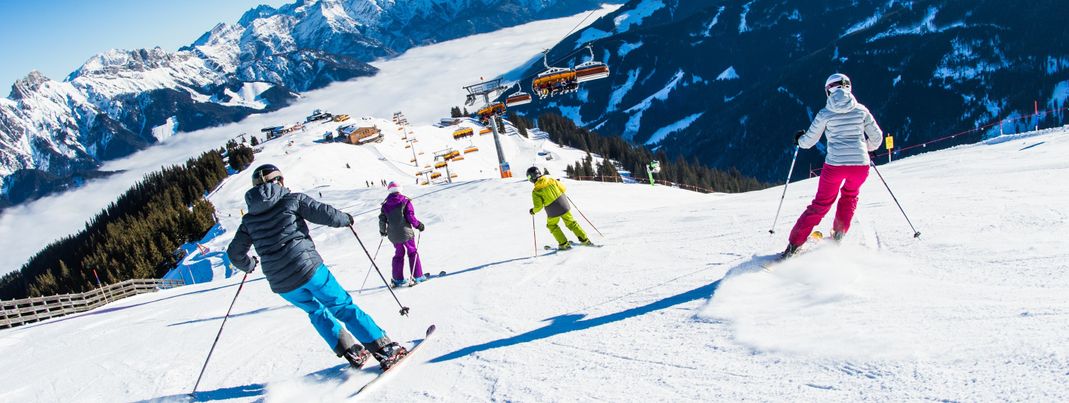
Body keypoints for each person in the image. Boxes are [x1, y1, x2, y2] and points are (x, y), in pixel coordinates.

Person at [227, 164, 407, 370]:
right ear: (279, 181)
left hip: (281, 283)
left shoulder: (249, 221)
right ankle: (384, 350)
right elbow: (324, 214)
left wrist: (249, 265)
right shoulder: (292, 200)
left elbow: (234, 253)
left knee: (316, 312)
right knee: (342, 306)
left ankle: (353, 352)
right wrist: (345, 219)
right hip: (308, 268)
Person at [783, 73, 883, 257]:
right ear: (848, 87)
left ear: (828, 91)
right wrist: (864, 148)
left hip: (835, 166)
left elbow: (808, 142)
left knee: (821, 204)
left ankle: (794, 245)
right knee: (850, 196)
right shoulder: (862, 111)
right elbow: (877, 138)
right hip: (861, 166)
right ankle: (838, 235)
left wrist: (799, 139)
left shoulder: (825, 113)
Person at [527, 167, 591, 250]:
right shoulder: (551, 180)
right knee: (571, 223)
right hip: (564, 204)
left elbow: (538, 207)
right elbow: (563, 188)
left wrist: (533, 211)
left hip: (552, 210)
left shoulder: (536, 191)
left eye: (528, 177)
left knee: (552, 225)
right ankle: (584, 240)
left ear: (532, 177)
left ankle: (564, 243)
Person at [378, 181, 426, 287]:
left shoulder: (385, 205)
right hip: (406, 233)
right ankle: (417, 275)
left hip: (393, 235)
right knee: (412, 252)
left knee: (399, 254)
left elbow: (382, 219)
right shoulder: (405, 201)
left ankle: (397, 279)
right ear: (400, 189)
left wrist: (382, 231)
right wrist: (418, 225)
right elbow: (410, 216)